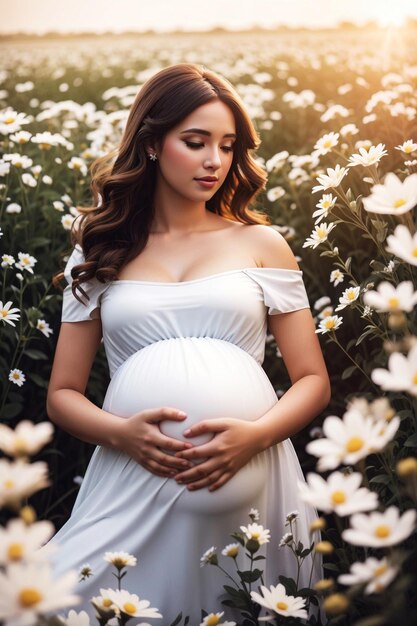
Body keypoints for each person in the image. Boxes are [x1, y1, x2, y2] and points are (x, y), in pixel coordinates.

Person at [45, 63, 331, 623]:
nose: (214, 162)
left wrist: (255, 436)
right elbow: (62, 393)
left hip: (252, 487)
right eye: (195, 143)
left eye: (227, 146)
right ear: (151, 144)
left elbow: (314, 380)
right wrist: (123, 434)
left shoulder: (262, 243)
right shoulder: (100, 250)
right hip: (133, 484)